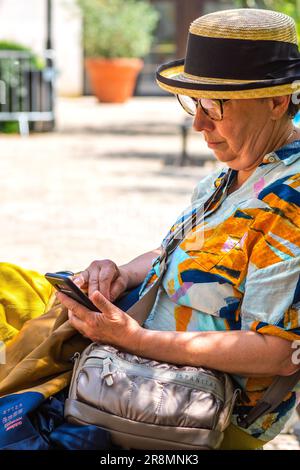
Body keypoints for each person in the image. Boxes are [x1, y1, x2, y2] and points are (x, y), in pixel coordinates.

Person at [58, 8, 300, 449]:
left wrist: (139, 340)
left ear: (277, 101)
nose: (199, 124)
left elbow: (278, 353)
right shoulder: (234, 175)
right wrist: (120, 273)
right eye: (194, 103)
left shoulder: (291, 200)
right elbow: (188, 253)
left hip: (195, 416)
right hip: (138, 379)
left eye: (215, 105)